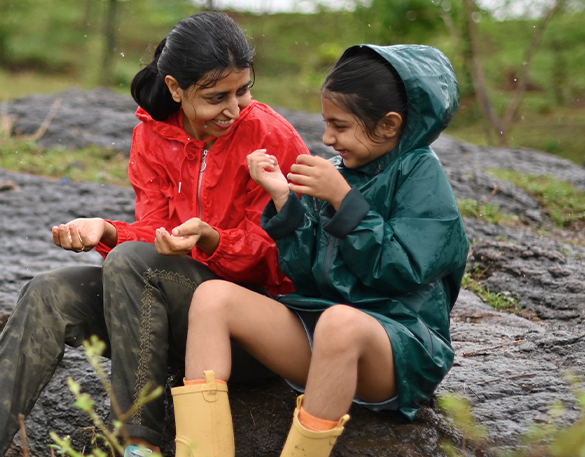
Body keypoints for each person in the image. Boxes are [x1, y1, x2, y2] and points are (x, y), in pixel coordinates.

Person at [0, 11, 310, 457]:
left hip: (244, 332)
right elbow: (151, 231)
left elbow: (291, 256)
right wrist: (105, 229)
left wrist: (210, 239)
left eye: (243, 90)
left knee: (129, 262)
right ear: (176, 88)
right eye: (217, 96)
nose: (234, 108)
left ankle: (139, 445)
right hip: (170, 313)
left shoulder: (269, 135)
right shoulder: (151, 135)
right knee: (48, 291)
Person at [173, 44, 469, 457]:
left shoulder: (423, 178)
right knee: (213, 297)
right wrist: (283, 203)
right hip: (322, 338)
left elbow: (400, 271)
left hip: (398, 351)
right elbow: (305, 276)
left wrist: (345, 202)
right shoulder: (338, 171)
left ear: (388, 125)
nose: (328, 138)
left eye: (340, 126)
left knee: (340, 324)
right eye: (327, 123)